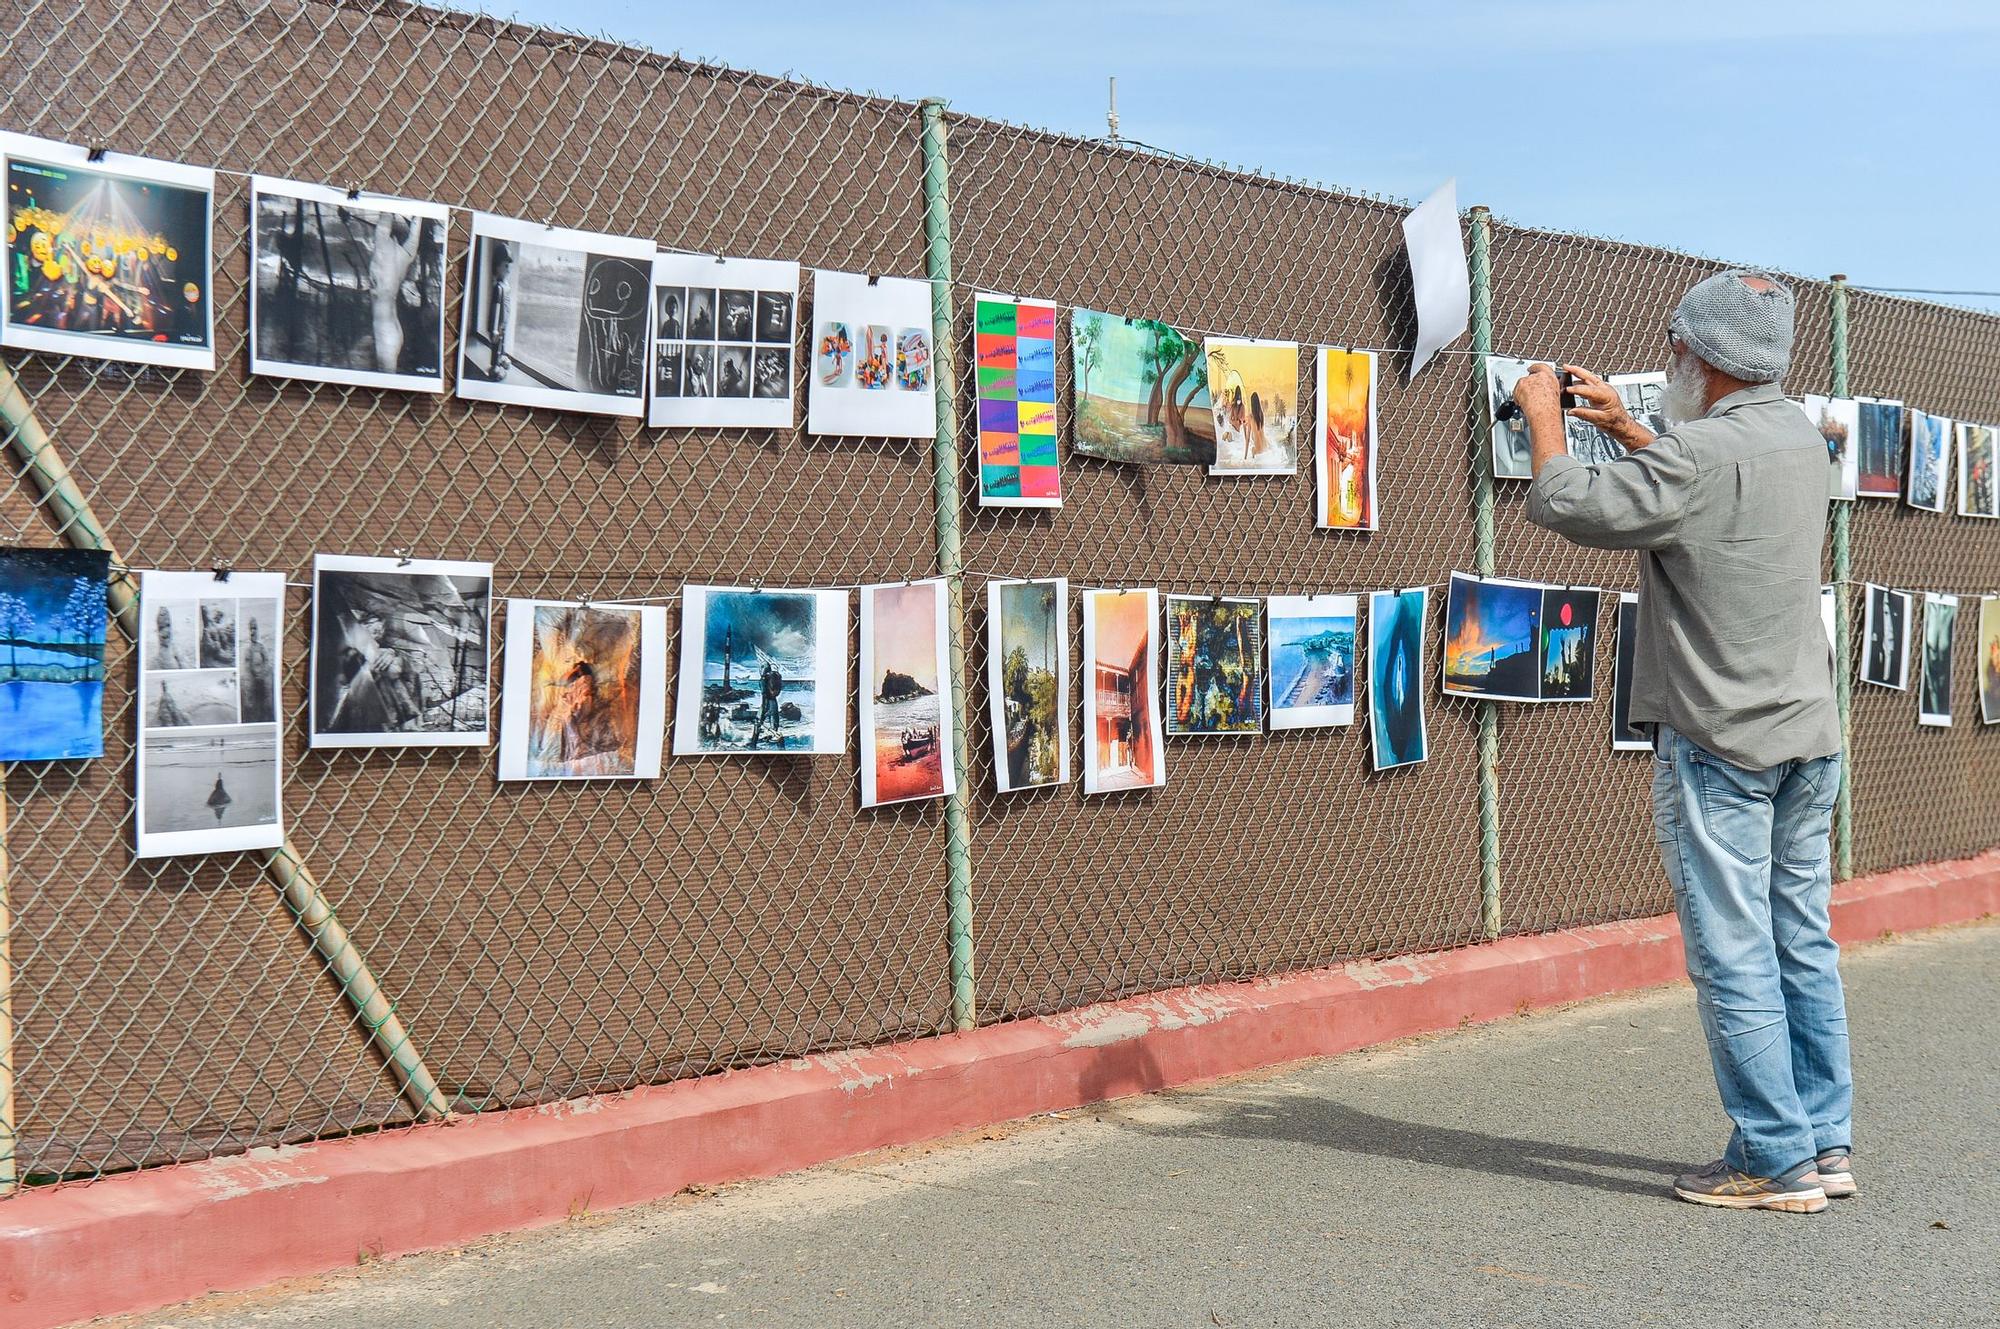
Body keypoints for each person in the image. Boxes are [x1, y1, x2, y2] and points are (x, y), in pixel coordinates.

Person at [1512, 270, 1850, 1215]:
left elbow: (1566, 502)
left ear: (1703, 358)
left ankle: (1772, 1161)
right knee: (1800, 939)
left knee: (1733, 950)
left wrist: (1546, 414)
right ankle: (1822, 1143)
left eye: (1674, 350)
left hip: (1721, 741)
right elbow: (1706, 489)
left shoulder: (1697, 456)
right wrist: (1628, 429)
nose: (1667, 366)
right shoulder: (1801, 438)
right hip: (1807, 737)